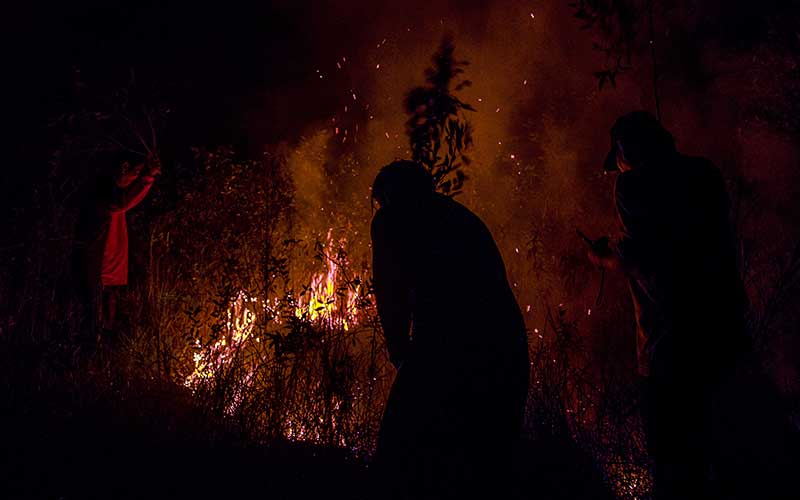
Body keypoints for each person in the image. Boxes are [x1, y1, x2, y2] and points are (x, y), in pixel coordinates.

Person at [587, 111, 751, 499]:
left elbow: (646, 257)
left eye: (620, 159)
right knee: (735, 460)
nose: (619, 169)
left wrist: (605, 256)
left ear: (626, 150)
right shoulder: (704, 173)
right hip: (727, 334)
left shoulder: (632, 185)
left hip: (671, 347)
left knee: (678, 469)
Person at [370, 160, 529, 499]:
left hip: (453, 347)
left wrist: (400, 351)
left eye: (381, 201)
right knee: (482, 467)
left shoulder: (391, 220)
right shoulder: (460, 217)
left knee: (401, 456)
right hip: (505, 348)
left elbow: (390, 292)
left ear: (390, 196)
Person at [74, 152, 161, 342]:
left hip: (112, 269)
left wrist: (146, 177)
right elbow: (122, 203)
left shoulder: (115, 196)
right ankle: (92, 353)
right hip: (99, 269)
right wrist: (147, 177)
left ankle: (104, 348)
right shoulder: (102, 197)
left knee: (109, 312)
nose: (134, 176)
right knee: (94, 316)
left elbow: (127, 200)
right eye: (131, 171)